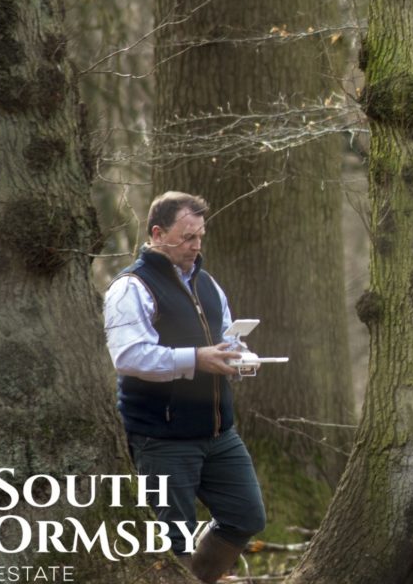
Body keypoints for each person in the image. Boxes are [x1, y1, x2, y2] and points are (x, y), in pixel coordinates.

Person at [103, 191, 266, 582]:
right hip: (162, 437)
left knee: (246, 516)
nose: (196, 246)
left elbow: (226, 340)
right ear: (157, 234)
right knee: (172, 541)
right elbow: (128, 357)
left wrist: (238, 359)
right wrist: (196, 359)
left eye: (200, 237)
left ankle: (200, 578)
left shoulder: (208, 283)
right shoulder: (130, 287)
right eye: (187, 236)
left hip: (219, 433)